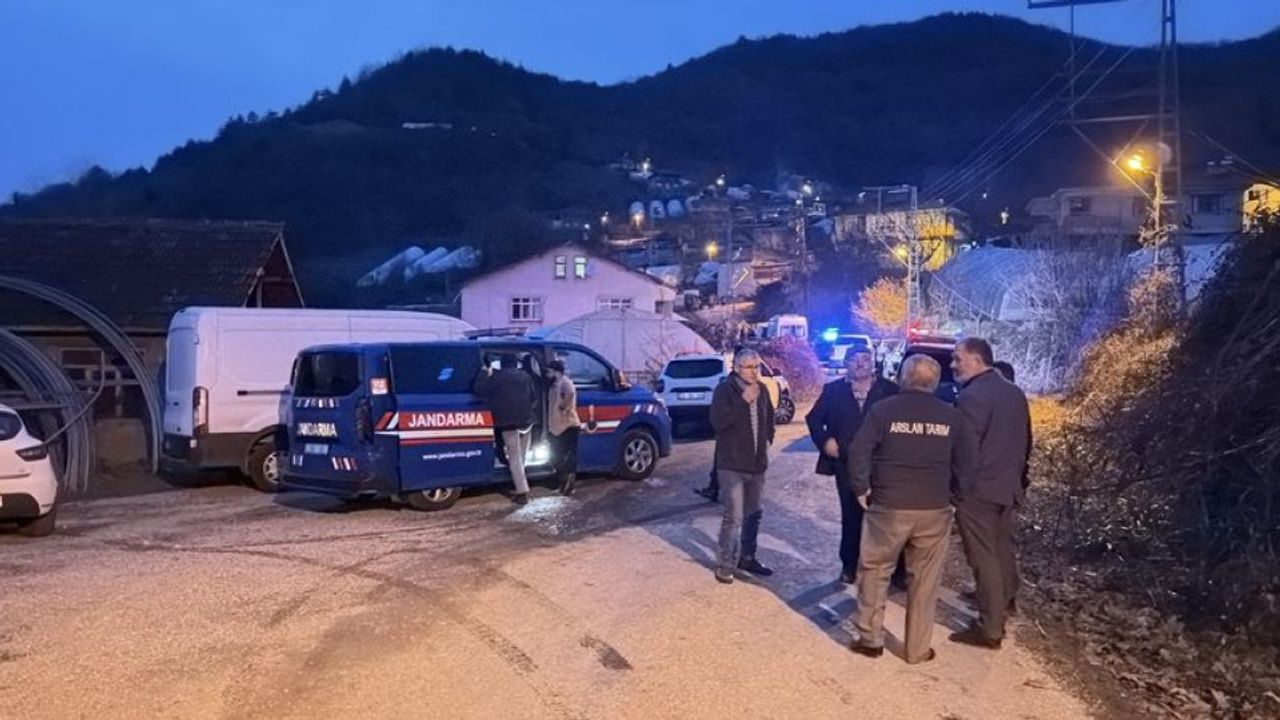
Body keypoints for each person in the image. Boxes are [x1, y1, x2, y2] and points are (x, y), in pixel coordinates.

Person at [848, 354, 977, 663]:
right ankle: (917, 650)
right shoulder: (952, 417)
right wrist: (956, 497)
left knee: (875, 570)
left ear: (903, 378)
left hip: (888, 506)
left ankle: (870, 639)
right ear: (935, 383)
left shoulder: (883, 410)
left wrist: (861, 487)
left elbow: (859, 449)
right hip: (934, 508)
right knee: (925, 581)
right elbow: (968, 462)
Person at [948, 338, 1032, 649]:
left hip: (979, 490)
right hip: (1007, 487)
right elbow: (1026, 441)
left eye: (958, 359)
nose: (953, 365)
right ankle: (1005, 603)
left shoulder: (972, 397)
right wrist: (1019, 480)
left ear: (976, 360)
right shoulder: (1014, 392)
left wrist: (959, 489)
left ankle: (990, 628)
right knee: (1000, 549)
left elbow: (966, 451)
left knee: (983, 557)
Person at [805, 348, 899, 584]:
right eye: (854, 360)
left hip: (883, 465)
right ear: (846, 363)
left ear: (873, 362)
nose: (860, 364)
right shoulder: (834, 391)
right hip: (846, 464)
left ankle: (889, 569)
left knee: (885, 518)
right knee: (851, 515)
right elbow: (813, 419)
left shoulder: (889, 390)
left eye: (865, 359)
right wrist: (825, 440)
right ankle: (849, 565)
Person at [709, 349, 776, 584]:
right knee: (734, 517)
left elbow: (769, 419)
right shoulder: (724, 391)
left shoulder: (763, 390)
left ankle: (747, 557)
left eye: (757, 367)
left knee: (754, 514)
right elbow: (718, 422)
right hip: (732, 466)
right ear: (737, 368)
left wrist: (768, 440)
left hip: (757, 465)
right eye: (749, 367)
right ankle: (725, 564)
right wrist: (742, 401)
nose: (754, 372)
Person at [475, 354, 537, 506]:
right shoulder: (525, 376)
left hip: (508, 423)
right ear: (515, 364)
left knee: (514, 458)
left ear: (502, 364)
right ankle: (519, 482)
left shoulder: (496, 377)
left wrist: (484, 371)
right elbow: (533, 397)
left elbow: (478, 389)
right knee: (521, 457)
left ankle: (522, 492)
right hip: (527, 421)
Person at [546, 359, 579, 496]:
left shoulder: (565, 383)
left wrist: (563, 406)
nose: (547, 374)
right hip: (556, 426)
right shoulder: (554, 384)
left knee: (566, 456)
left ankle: (568, 482)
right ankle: (563, 480)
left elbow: (570, 393)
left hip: (567, 425)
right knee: (556, 455)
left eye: (549, 371)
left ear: (556, 372)